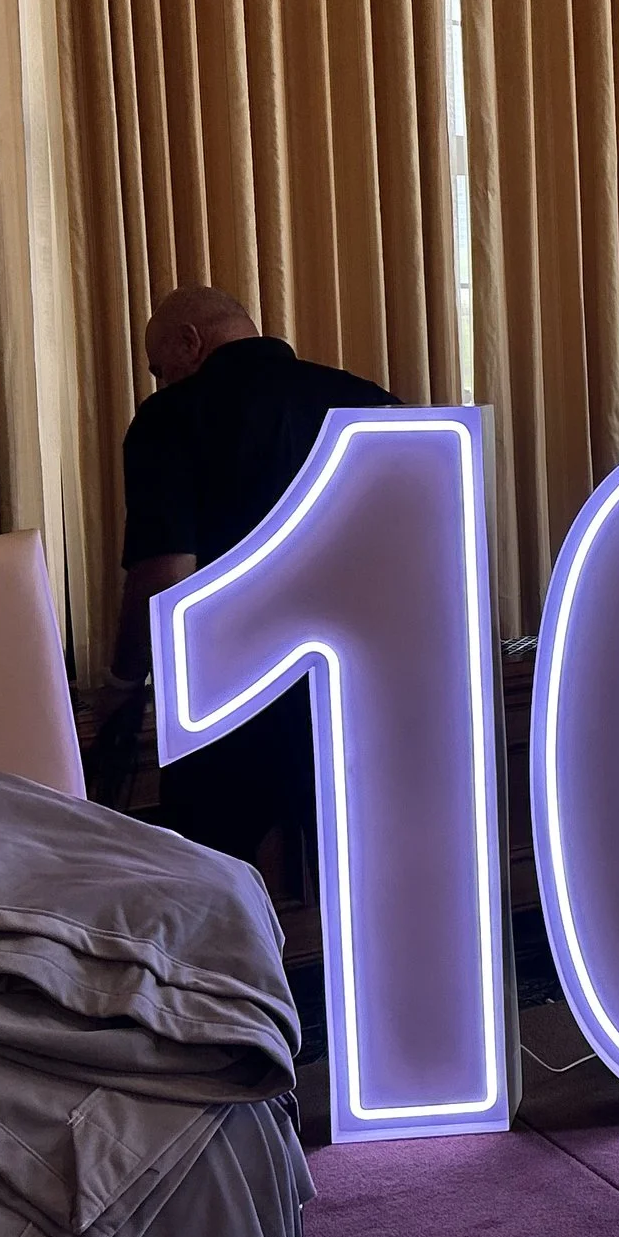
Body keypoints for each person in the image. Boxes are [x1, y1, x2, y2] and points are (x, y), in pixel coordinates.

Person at [98, 287, 398, 869]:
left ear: (191, 341)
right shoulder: (372, 403)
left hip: (231, 701)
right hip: (362, 696)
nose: (160, 382)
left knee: (221, 888)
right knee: (353, 883)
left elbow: (165, 575)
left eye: (161, 368)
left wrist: (122, 682)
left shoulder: (173, 416)